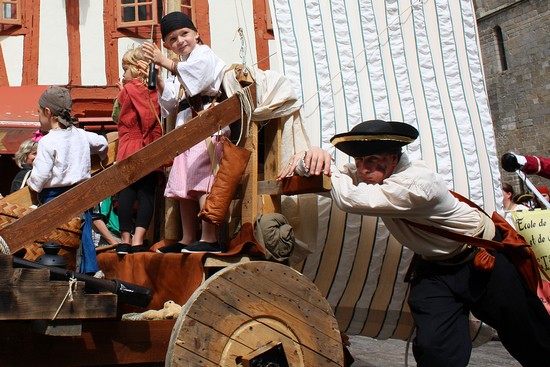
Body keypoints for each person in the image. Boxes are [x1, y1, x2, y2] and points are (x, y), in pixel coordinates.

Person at [278, 120, 550, 367]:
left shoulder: (419, 183)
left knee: (530, 338)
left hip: (484, 260)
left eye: (372, 159)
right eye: (359, 160)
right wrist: (312, 155)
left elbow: (353, 199)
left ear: (394, 158)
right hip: (436, 269)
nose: (363, 168)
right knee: (435, 350)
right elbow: (335, 174)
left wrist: (324, 166)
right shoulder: (371, 171)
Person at [142, 12, 227, 254]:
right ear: (168, 45)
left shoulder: (203, 54)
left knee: (202, 181)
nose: (180, 41)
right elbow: (170, 104)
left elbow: (198, 80)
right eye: (172, 39)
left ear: (196, 33)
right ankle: (188, 238)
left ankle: (209, 237)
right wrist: (159, 80)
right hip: (187, 128)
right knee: (182, 184)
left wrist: (165, 62)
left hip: (208, 125)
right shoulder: (177, 66)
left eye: (184, 34)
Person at [27, 86, 108, 275]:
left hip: (55, 196)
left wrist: (33, 186)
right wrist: (101, 158)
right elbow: (102, 143)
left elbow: (41, 175)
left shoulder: (47, 141)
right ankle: (89, 270)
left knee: (56, 235)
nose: (39, 116)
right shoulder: (80, 134)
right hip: (81, 193)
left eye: (39, 112)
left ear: (48, 112)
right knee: (83, 232)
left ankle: (58, 272)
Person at [113, 46, 163, 255]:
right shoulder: (155, 89)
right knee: (146, 194)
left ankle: (125, 239)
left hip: (129, 145)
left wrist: (120, 93)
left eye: (125, 69)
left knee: (127, 192)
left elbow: (117, 116)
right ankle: (138, 240)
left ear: (134, 68)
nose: (123, 74)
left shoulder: (127, 90)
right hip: (150, 145)